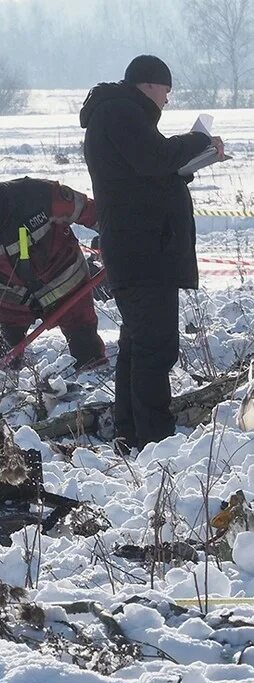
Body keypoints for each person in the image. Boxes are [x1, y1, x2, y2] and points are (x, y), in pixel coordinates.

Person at [81, 54, 224, 452]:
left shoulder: (117, 114)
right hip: (143, 251)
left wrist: (193, 161)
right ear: (149, 84)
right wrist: (198, 141)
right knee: (156, 347)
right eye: (166, 92)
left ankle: (130, 432)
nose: (166, 101)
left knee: (137, 345)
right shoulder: (121, 113)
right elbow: (153, 158)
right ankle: (154, 439)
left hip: (139, 249)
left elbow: (143, 173)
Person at [0, 177, 106, 370]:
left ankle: (91, 379)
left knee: (85, 342)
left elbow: (89, 211)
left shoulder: (40, 194)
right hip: (11, 295)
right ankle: (0, 390)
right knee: (1, 352)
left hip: (66, 282)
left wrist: (119, 234)